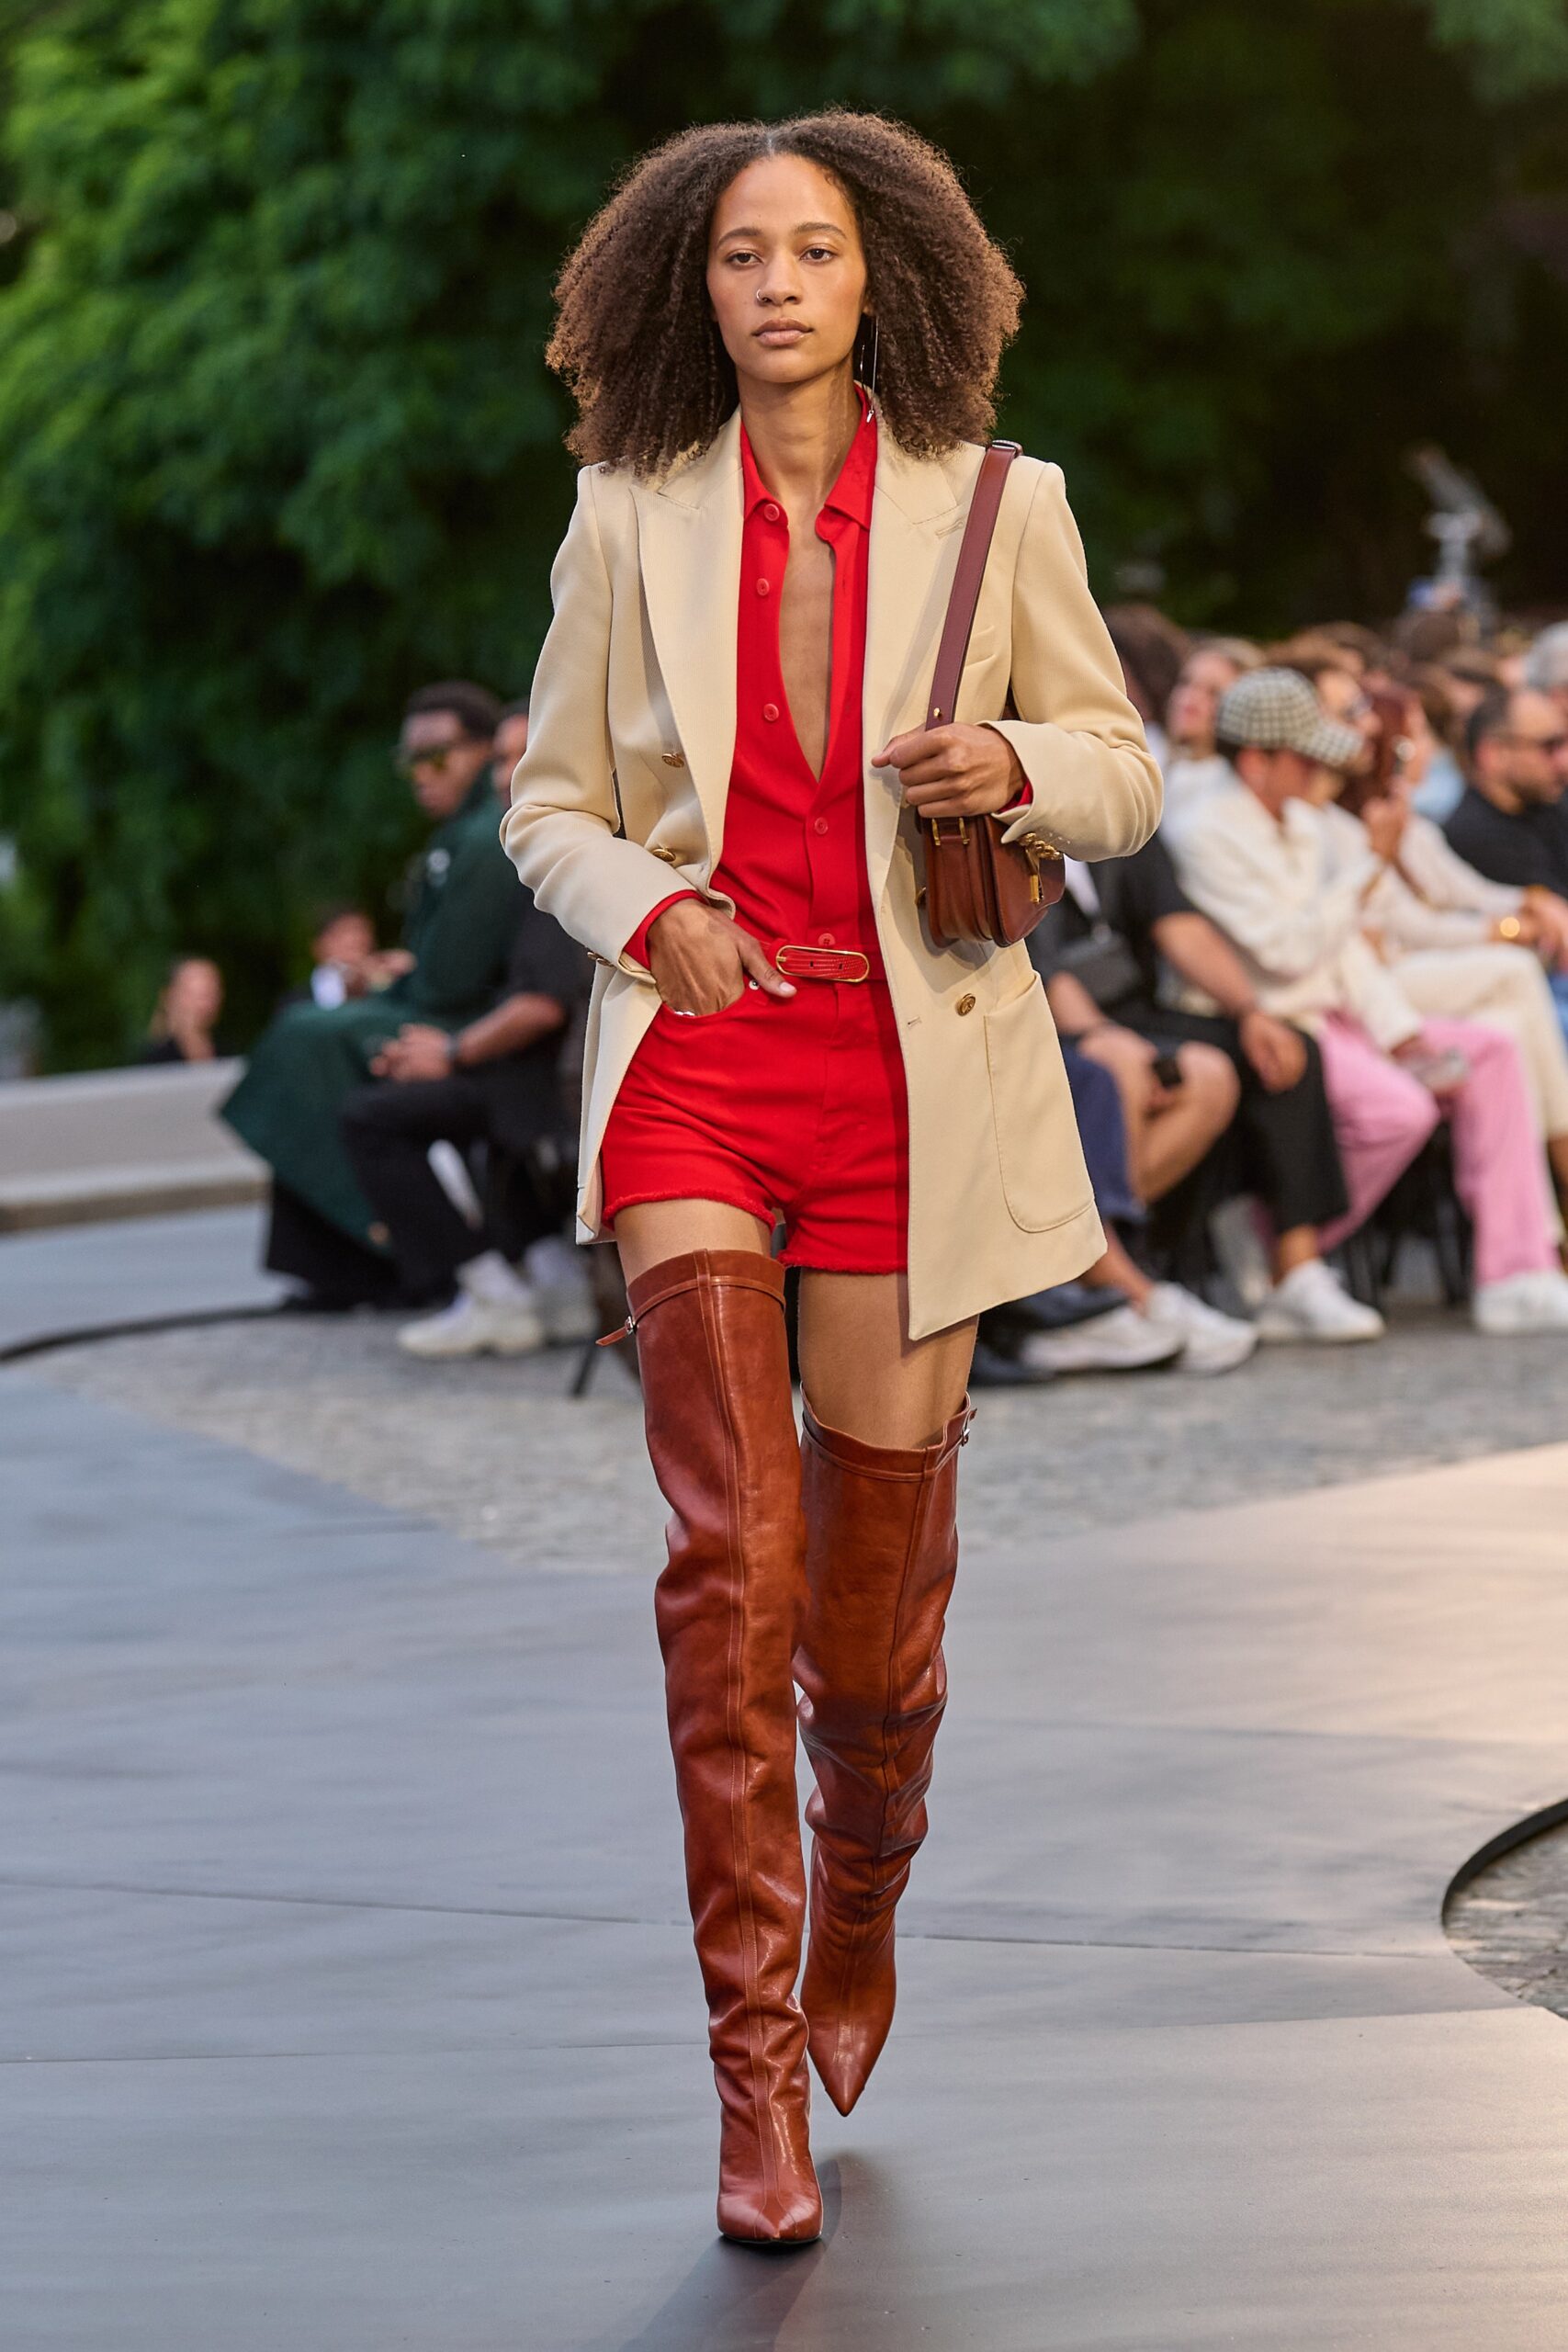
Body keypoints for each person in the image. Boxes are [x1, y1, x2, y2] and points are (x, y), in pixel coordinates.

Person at [505, 114, 1160, 2246]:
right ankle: (752, 2069)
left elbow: (1122, 770)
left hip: (911, 1093)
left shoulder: (1003, 505)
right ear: (688, 291)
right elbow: (548, 804)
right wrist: (645, 912)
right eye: (735, 257)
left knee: (863, 1649)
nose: (771, 283)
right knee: (729, 1577)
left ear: (880, 278)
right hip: (697, 1077)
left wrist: (1015, 765)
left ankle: (859, 1889)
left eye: (809, 251)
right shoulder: (628, 514)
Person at [1168, 670, 1568, 1337]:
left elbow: (1344, 946)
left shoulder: (1295, 818)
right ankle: (1276, 1243)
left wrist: (1400, 1031)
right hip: (1279, 1016)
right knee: (1398, 1109)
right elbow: (1291, 952)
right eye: (1305, 755)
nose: (1323, 766)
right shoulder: (1207, 831)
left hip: (1337, 1009)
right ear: (1255, 759)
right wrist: (1368, 865)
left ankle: (1516, 1271)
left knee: (1493, 1051)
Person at [222, 682, 523, 1306]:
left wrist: (399, 982)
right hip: (448, 1011)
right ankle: (342, 1259)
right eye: (410, 758)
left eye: (437, 755)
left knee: (305, 1043)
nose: (420, 774)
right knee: (302, 1032)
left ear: (483, 752)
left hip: (462, 1024)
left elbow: (454, 981)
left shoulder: (482, 837)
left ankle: (381, 1258)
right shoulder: (461, 835)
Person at [1030, 840, 1376, 1340]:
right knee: (1118, 1072)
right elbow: (1038, 967)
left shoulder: (1114, 818)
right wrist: (1106, 1037)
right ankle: (1108, 1284)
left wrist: (1249, 1011)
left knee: (1281, 1049)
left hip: (1131, 1010)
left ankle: (1295, 1272)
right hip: (1049, 1022)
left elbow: (1179, 925)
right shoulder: (1014, 826)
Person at [340, 724, 592, 1356]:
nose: (503, 774)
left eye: (519, 756)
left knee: (372, 1120)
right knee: (447, 1100)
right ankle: (555, 1282)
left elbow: (539, 1005)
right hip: (541, 1074)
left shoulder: (569, 850)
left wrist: (449, 1053)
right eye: (500, 759)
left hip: (556, 1085)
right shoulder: (539, 847)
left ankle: (490, 1292)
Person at [1444, 685, 1568, 902]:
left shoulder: (1548, 805)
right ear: (1494, 754)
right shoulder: (1473, 836)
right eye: (1549, 747)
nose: (1563, 762)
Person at [138, 956, 223, 1063]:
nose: (203, 1004)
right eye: (193, 994)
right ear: (168, 996)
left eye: (210, 993)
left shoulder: (228, 1050)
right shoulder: (153, 1058)